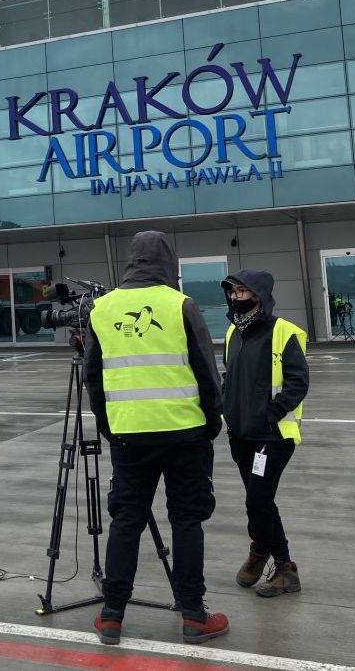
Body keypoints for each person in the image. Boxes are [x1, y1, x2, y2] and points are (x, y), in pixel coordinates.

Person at [84, 231, 227, 645]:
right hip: (185, 432)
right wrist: (212, 422)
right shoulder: (181, 304)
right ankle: (194, 615)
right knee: (186, 519)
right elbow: (206, 370)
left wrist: (110, 424)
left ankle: (112, 615)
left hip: (129, 434)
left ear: (131, 261)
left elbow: (94, 376)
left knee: (126, 519)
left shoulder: (101, 308)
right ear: (169, 263)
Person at [221, 270, 308, 598]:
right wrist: (227, 411)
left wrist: (270, 414)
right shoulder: (233, 332)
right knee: (259, 502)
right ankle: (262, 551)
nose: (235, 297)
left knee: (258, 500)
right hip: (241, 434)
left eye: (241, 292)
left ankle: (282, 566)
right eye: (232, 292)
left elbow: (298, 382)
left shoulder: (283, 331)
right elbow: (229, 377)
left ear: (258, 294)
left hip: (272, 435)